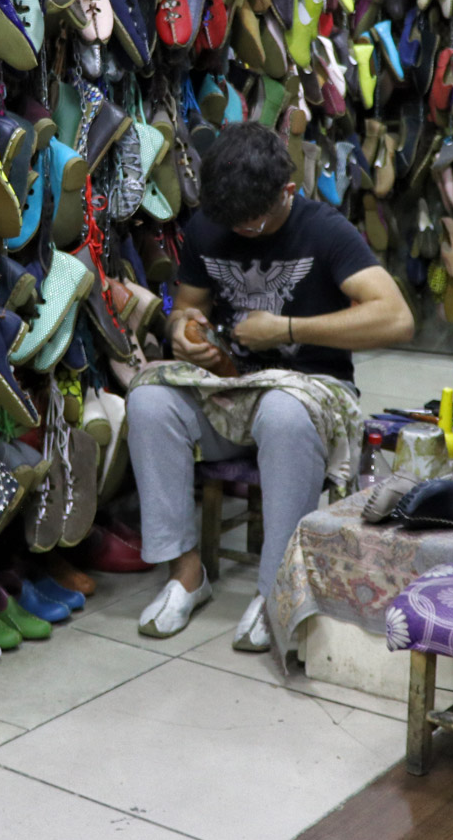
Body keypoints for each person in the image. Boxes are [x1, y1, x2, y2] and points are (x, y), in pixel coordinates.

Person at [128, 123, 414, 650]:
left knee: (282, 412)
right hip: (234, 390)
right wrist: (183, 331)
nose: (241, 233)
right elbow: (187, 306)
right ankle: (186, 575)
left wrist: (286, 329)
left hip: (313, 393)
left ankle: (274, 590)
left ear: (287, 191)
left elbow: (397, 319)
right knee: (147, 399)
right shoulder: (212, 225)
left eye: (254, 225)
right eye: (231, 223)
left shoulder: (325, 230)